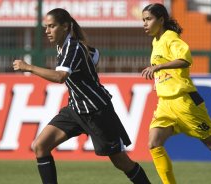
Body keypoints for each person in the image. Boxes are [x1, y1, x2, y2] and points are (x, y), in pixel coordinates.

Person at [13, 8, 151, 184]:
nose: (47, 31)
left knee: (121, 161)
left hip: (97, 111)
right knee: (40, 146)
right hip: (75, 109)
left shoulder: (73, 47)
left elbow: (60, 77)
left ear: (65, 27)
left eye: (52, 26)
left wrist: (29, 67)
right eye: (46, 27)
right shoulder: (65, 46)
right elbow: (95, 55)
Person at [141, 3, 211, 184]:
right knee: (153, 144)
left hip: (184, 102)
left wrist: (159, 66)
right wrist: (160, 79)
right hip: (165, 104)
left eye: (148, 19)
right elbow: (165, 72)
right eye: (143, 20)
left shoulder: (171, 38)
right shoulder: (156, 41)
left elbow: (185, 60)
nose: (145, 24)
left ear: (161, 20)